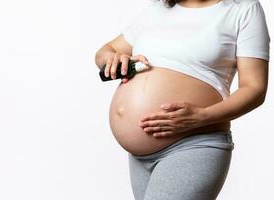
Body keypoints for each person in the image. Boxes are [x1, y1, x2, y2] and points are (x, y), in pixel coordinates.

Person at [94, 0, 270, 199]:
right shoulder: (160, 9)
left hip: (192, 144)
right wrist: (113, 58)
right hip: (139, 158)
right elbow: (105, 51)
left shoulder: (243, 9)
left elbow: (254, 88)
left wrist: (202, 116)